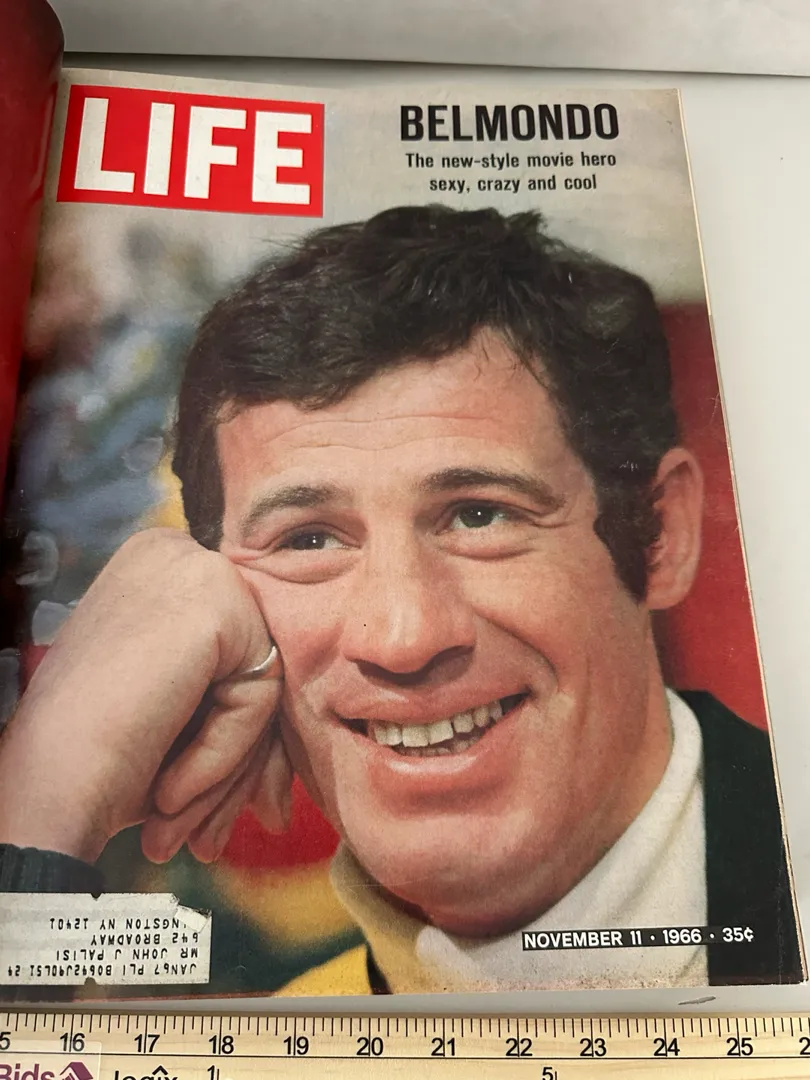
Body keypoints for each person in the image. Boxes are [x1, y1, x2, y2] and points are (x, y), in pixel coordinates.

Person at [0, 206, 801, 993]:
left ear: (661, 535)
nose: (403, 637)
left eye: (479, 515)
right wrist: (43, 794)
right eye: (309, 539)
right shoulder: (292, 1028)